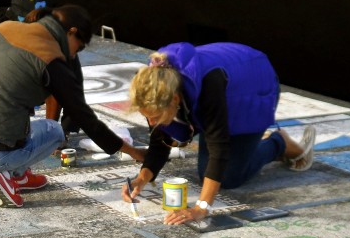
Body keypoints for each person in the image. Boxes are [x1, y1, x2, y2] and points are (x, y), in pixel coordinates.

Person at [0, 4, 144, 208]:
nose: (75, 55)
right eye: (79, 47)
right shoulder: (52, 59)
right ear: (71, 32)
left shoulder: (4, 29)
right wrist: (133, 151)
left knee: (21, 123)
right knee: (54, 131)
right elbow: (85, 118)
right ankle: (4, 175)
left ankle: (20, 175)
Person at [123, 42, 316, 224]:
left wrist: (201, 208)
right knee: (206, 172)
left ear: (175, 99)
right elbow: (161, 140)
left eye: (155, 117)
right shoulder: (155, 83)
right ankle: (252, 146)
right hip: (225, 86)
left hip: (252, 87)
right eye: (147, 117)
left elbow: (219, 147)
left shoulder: (208, 85)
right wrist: (142, 179)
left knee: (229, 177)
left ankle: (278, 143)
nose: (151, 122)